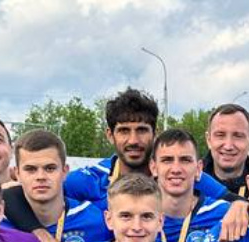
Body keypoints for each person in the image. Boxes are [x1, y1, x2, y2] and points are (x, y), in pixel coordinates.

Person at [65, 89, 231, 207]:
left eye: (142, 130)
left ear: (155, 133)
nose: (133, 140)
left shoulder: (177, 174)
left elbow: (236, 201)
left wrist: (238, 208)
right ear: (110, 135)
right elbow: (48, 199)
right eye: (124, 131)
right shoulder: (89, 180)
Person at [3, 129, 109, 242]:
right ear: (17, 173)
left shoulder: (95, 221)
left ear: (65, 171)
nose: (41, 177)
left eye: (50, 168)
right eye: (30, 169)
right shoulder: (0, 226)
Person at [152, 127, 230, 242]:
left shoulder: (224, 214)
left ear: (198, 169)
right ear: (153, 168)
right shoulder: (139, 218)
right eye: (167, 160)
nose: (176, 169)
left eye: (185, 160)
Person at [203, 103, 249, 196]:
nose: (228, 146)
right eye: (220, 135)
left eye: (238, 136)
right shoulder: (190, 183)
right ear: (208, 139)